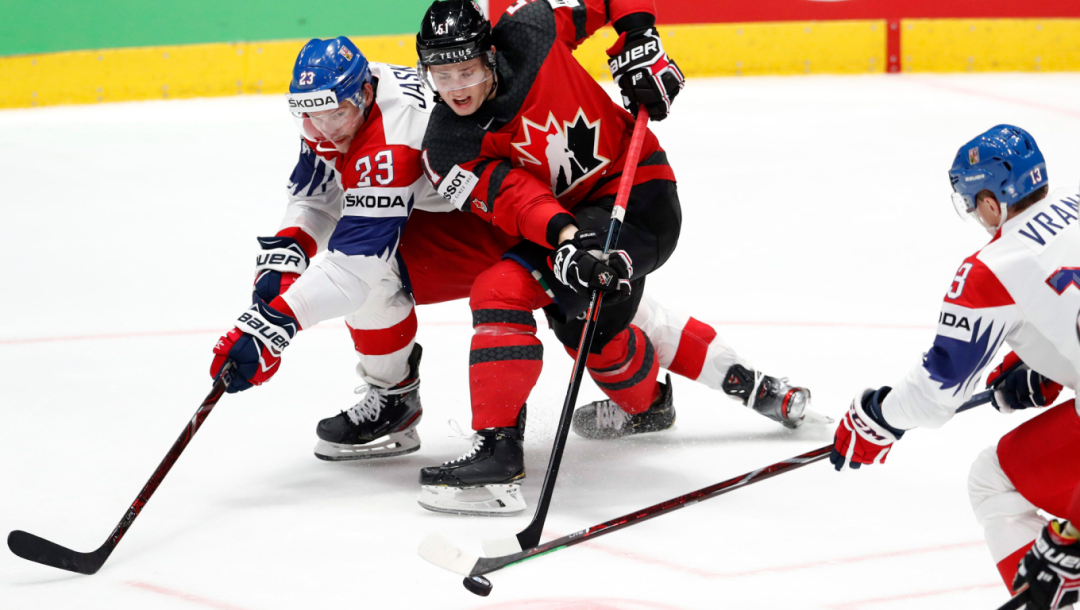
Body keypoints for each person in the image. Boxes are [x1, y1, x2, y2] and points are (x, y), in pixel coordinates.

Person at [412, 0, 819, 516]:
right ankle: (648, 405)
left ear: (490, 54)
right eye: (440, 74)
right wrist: (566, 238)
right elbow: (516, 198)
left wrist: (638, 38)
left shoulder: (532, 30)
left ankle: (498, 450)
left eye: (465, 70)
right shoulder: (447, 144)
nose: (455, 88)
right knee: (588, 332)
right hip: (568, 227)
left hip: (640, 197)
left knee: (541, 296)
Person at [829, 125, 1080, 609]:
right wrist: (1048, 366)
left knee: (992, 478)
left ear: (991, 202)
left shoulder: (994, 268)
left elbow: (935, 392)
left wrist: (877, 418)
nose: (975, 215)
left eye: (972, 203)